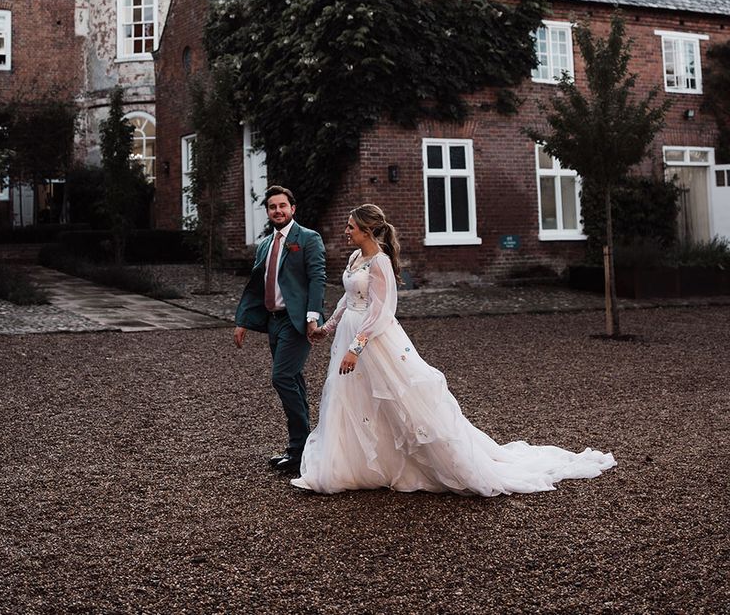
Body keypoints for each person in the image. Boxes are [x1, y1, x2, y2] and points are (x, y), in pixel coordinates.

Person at [292, 204, 616, 495]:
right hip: (348, 331)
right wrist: (328, 327)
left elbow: (381, 311)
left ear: (366, 230)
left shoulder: (380, 263)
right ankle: (350, 466)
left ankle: (416, 462)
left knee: (395, 397)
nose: (346, 231)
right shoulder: (354, 257)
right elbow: (348, 299)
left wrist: (356, 347)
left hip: (372, 338)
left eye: (350, 227)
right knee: (348, 397)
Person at [234, 186, 326, 474]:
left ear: (293, 208)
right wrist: (242, 322)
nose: (278, 211)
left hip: (296, 322)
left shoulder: (308, 239)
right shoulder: (265, 244)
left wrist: (312, 317)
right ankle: (302, 448)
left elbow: (317, 278)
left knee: (282, 377)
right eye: (272, 207)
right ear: (268, 211)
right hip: (273, 322)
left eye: (282, 206)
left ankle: (300, 449)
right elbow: (255, 286)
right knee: (293, 379)